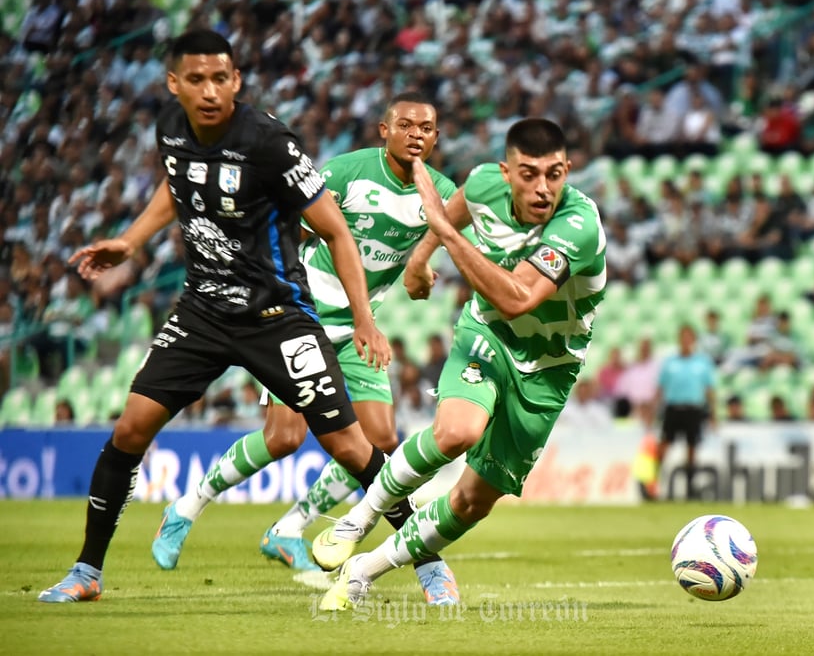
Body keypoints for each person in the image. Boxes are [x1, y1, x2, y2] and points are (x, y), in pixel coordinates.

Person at [38, 29, 393, 603]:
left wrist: (363, 319)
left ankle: (426, 563)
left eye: (220, 78)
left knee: (351, 448)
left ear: (237, 81)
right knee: (129, 430)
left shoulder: (268, 143)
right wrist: (131, 242)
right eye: (196, 79)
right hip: (202, 311)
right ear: (174, 83)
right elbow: (177, 183)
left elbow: (335, 228)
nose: (209, 91)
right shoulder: (170, 128)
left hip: (277, 318)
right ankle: (86, 573)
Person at [150, 92, 463, 605]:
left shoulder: (440, 191)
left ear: (435, 137)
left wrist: (422, 265)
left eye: (426, 128)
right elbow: (289, 217)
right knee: (283, 438)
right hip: (303, 319)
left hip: (362, 330)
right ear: (384, 132)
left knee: (379, 438)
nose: (416, 134)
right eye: (405, 125)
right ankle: (187, 506)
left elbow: (445, 232)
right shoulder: (347, 172)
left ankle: (292, 526)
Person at [311, 117, 607, 611]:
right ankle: (357, 519)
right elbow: (462, 201)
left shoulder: (578, 224)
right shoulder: (486, 183)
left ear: (568, 171)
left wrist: (443, 235)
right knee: (457, 432)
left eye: (554, 174)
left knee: (473, 501)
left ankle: (361, 571)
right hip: (487, 335)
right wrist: (419, 258)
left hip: (549, 370)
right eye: (528, 173)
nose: (542, 188)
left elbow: (519, 298)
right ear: (506, 172)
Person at [654, 324, 717, 500]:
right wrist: (653, 411)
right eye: (683, 337)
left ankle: (690, 488)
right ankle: (655, 483)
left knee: (692, 448)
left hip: (693, 410)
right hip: (673, 408)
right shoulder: (670, 362)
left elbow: (709, 390)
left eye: (689, 337)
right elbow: (660, 388)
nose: (686, 341)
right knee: (664, 445)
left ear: (693, 340)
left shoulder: (702, 362)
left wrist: (713, 414)